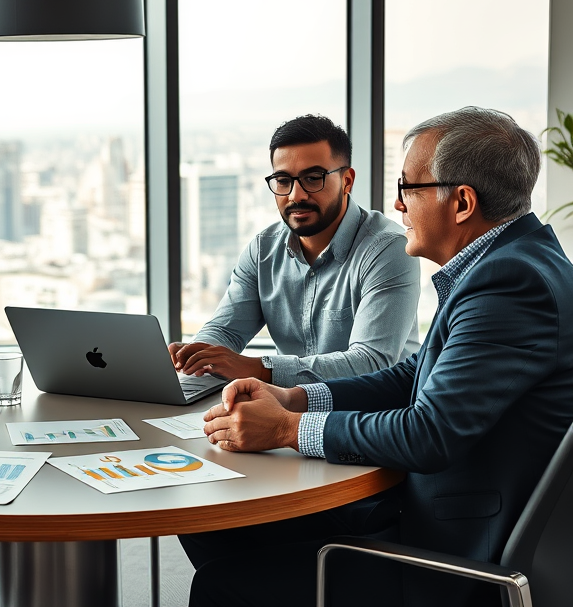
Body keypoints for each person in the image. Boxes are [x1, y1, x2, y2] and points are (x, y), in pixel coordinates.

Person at [185, 107, 573, 607]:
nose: (397, 203)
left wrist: (285, 429)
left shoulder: (508, 285)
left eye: (408, 187)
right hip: (429, 512)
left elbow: (428, 433)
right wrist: (296, 397)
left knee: (222, 581)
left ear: (461, 203)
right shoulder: (511, 263)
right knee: (216, 523)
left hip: (449, 556)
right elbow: (414, 374)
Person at [169, 115, 420, 387]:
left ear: (347, 181)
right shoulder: (263, 249)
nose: (295, 196)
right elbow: (226, 330)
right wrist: (196, 354)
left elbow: (370, 362)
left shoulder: (388, 249)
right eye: (283, 181)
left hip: (370, 418)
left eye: (313, 179)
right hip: (284, 412)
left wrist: (256, 368)